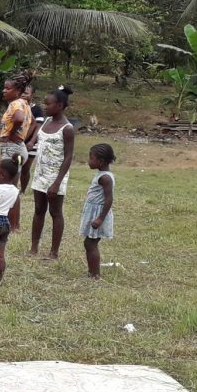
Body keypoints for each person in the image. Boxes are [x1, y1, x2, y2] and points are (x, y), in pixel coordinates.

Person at [29, 87, 76, 261]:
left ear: (60, 105)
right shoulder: (47, 121)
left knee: (55, 212)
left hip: (56, 176)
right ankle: (34, 247)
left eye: (48, 104)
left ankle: (53, 252)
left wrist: (57, 182)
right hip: (40, 174)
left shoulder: (67, 129)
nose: (45, 106)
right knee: (38, 210)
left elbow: (68, 157)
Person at [0, 72, 34, 231]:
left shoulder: (16, 104)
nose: (4, 91)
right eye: (4, 88)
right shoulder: (25, 104)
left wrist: (11, 136)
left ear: (17, 91)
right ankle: (13, 223)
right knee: (12, 187)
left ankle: (12, 225)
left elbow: (19, 119)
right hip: (19, 148)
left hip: (12, 148)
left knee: (8, 187)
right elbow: (32, 123)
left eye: (7, 88)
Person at [81, 144, 117, 279]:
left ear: (100, 161)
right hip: (94, 212)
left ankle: (94, 274)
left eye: (91, 158)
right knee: (89, 243)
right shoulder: (101, 175)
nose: (88, 161)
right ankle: (92, 272)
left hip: (98, 214)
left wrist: (100, 218)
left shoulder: (105, 178)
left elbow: (109, 199)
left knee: (90, 243)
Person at [20, 84, 44, 192]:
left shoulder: (37, 109)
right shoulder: (16, 106)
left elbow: (38, 127)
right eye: (22, 92)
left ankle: (22, 190)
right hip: (17, 141)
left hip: (30, 143)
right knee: (15, 166)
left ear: (32, 95)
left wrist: (32, 142)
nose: (23, 95)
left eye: (26, 93)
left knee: (25, 168)